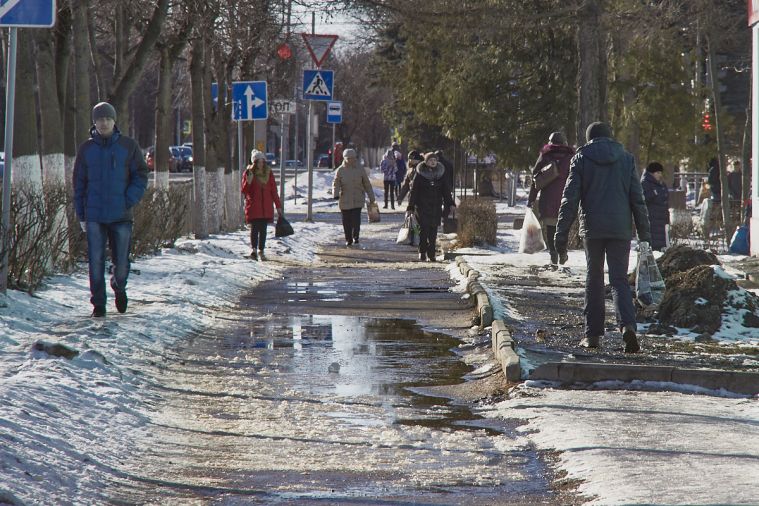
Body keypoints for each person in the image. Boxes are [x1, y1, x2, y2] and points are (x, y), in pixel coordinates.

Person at [554, 122, 651, 353]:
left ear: (589, 138)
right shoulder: (626, 159)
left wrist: (561, 234)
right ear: (610, 136)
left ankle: (593, 335)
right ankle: (628, 327)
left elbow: (570, 199)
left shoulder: (581, 159)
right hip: (620, 229)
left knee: (594, 279)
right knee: (619, 281)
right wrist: (645, 235)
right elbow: (638, 200)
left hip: (593, 229)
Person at [73, 102, 148, 317]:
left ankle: (120, 287)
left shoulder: (128, 146)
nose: (104, 123)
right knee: (95, 261)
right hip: (94, 215)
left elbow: (140, 175)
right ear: (94, 123)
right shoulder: (86, 149)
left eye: (107, 119)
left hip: (121, 215)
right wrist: (82, 215)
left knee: (122, 262)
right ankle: (98, 304)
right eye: (100, 119)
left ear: (114, 121)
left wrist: (129, 199)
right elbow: (79, 183)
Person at [526, 132, 574, 268]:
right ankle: (562, 252)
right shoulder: (571, 157)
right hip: (566, 199)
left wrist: (531, 199)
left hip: (548, 200)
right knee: (563, 228)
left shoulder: (545, 156)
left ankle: (553, 254)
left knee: (551, 229)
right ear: (564, 142)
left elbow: (536, 178)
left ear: (550, 142)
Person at [407, 152, 456, 262]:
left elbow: (446, 191)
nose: (433, 162)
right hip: (422, 207)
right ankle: (422, 252)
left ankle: (432, 254)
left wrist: (451, 203)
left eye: (434, 160)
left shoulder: (441, 174)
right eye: (430, 160)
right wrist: (410, 206)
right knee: (423, 231)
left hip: (436, 207)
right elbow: (414, 191)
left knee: (433, 232)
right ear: (426, 162)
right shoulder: (420, 174)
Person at [241, 150, 283, 261]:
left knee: (263, 230)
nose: (260, 164)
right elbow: (244, 191)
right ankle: (254, 251)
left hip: (266, 206)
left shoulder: (269, 173)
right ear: (254, 162)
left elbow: (273, 191)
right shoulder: (249, 173)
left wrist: (278, 206)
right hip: (254, 206)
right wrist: (248, 182)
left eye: (262, 161)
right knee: (254, 229)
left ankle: (261, 251)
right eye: (258, 162)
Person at [333, 148, 376, 247]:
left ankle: (355, 237)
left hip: (358, 199)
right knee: (346, 222)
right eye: (349, 158)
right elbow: (336, 183)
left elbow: (366, 184)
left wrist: (371, 197)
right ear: (345, 158)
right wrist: (335, 194)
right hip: (345, 200)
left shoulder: (360, 169)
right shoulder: (340, 170)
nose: (351, 160)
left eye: (353, 158)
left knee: (356, 221)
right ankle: (348, 239)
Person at [641, 162, 670, 251]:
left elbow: (665, 199)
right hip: (651, 219)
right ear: (651, 173)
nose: (659, 175)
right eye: (657, 173)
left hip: (661, 219)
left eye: (660, 173)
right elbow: (643, 199)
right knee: (652, 245)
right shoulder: (645, 183)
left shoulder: (661, 184)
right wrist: (653, 193)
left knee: (661, 246)